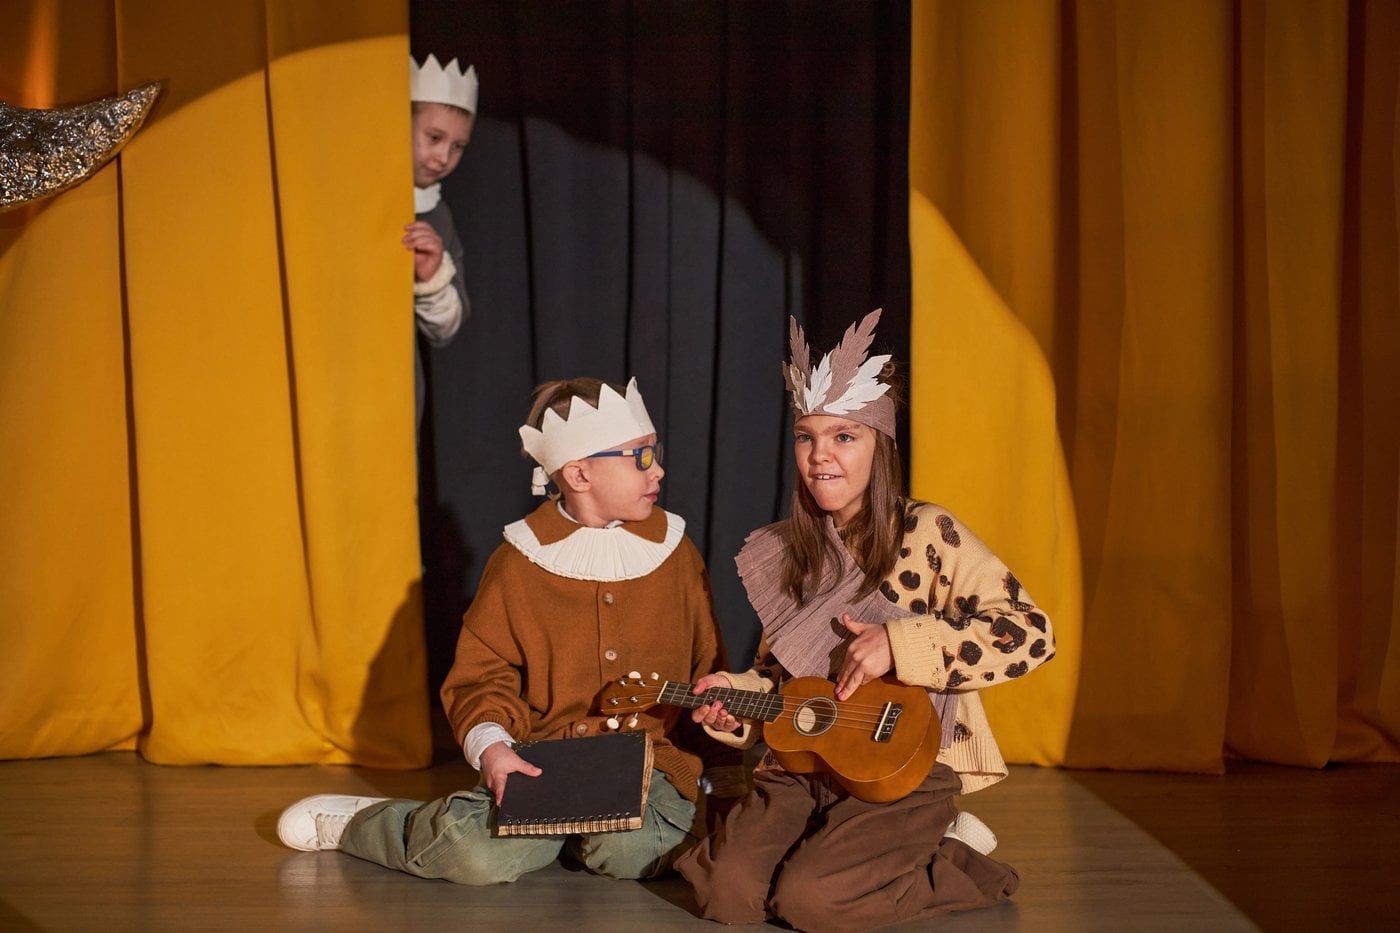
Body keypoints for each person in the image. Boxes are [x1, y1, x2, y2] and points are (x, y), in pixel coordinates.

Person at [277, 377, 746, 884]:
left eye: (656, 452)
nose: (658, 469)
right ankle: (372, 824)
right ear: (579, 474)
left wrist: (726, 781)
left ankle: (575, 835)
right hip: (543, 761)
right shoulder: (518, 563)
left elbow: (708, 667)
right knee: (476, 857)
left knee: (639, 852)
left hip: (648, 765)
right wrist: (494, 747)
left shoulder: (675, 553)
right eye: (640, 456)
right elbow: (482, 677)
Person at [675, 309, 1056, 930]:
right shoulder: (788, 552)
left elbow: (1031, 634)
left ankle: (952, 860)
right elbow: (781, 680)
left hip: (901, 764)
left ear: (881, 447)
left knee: (810, 902)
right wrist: (734, 698)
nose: (819, 456)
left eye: (844, 437)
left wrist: (900, 644)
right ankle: (833, 852)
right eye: (806, 437)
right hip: (805, 762)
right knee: (727, 895)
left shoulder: (927, 532)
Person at [407, 53, 475, 427]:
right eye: (434, 138)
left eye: (458, 146)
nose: (444, 157)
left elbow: (447, 327)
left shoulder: (437, 215)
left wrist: (432, 278)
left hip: (394, 383)